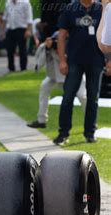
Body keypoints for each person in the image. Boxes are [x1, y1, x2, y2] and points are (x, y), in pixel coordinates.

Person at [53, 0, 105, 145]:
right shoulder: (70, 8)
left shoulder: (102, 9)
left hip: (96, 60)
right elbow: (61, 35)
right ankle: (63, 133)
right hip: (74, 60)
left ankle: (90, 132)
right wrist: (62, 60)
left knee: (93, 98)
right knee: (68, 97)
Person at [27, 33, 87, 128]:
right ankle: (41, 120)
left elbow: (72, 58)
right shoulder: (49, 46)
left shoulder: (74, 41)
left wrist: (58, 48)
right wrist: (47, 48)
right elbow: (39, 64)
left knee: (83, 96)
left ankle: (90, 122)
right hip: (54, 75)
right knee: (44, 88)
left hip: (75, 74)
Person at [4, 0, 33, 71]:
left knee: (22, 50)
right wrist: (4, 29)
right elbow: (6, 16)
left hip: (22, 29)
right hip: (11, 28)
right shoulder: (8, 2)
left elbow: (29, 17)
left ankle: (23, 68)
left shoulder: (25, 2)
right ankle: (11, 69)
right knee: (10, 50)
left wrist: (28, 30)